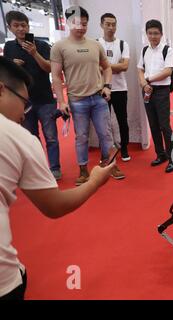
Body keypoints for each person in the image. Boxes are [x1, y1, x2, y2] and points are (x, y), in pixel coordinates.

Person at [0, 56, 114, 300]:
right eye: (23, 102)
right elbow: (54, 206)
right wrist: (95, 181)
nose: (23, 113)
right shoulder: (17, 137)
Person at [50, 6, 125, 186]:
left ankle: (110, 165)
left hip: (98, 98)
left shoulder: (95, 44)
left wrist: (107, 86)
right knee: (81, 136)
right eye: (77, 23)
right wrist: (61, 101)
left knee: (106, 134)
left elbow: (106, 67)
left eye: (84, 23)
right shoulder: (59, 47)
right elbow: (56, 76)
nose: (81, 27)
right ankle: (83, 170)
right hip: (77, 100)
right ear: (68, 23)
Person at [3, 11, 62, 180]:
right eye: (17, 25)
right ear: (10, 28)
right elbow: (7, 74)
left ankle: (55, 168)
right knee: (31, 138)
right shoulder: (9, 48)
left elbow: (50, 68)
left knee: (51, 136)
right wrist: (12, 65)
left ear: (28, 26)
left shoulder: (42, 45)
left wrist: (34, 53)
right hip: (23, 101)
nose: (21, 29)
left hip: (45, 98)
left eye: (24, 25)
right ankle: (38, 168)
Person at [137, 19, 173, 173]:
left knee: (164, 126)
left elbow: (168, 71)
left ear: (161, 34)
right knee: (153, 125)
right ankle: (161, 154)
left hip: (161, 91)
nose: (153, 36)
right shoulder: (144, 50)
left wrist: (149, 80)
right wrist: (144, 84)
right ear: (146, 34)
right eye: (150, 33)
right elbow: (140, 69)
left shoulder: (168, 50)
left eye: (156, 33)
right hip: (147, 90)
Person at [98, 13, 131, 162]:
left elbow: (125, 66)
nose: (111, 27)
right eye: (108, 24)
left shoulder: (123, 44)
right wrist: (113, 67)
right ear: (102, 25)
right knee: (102, 123)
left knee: (122, 120)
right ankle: (106, 151)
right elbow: (93, 66)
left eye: (113, 24)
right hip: (101, 88)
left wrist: (104, 67)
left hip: (120, 88)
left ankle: (124, 148)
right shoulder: (96, 44)